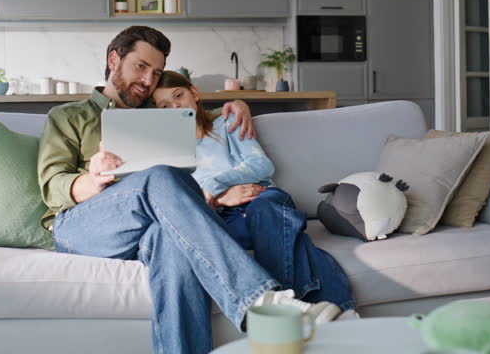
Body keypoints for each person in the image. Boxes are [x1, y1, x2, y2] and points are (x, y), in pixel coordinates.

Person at [37, 26, 339, 354]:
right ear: (114, 60)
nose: (148, 80)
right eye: (140, 67)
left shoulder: (160, 115)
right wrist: (94, 178)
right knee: (160, 176)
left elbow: (205, 122)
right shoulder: (70, 116)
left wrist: (236, 104)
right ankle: (258, 299)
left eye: (155, 73)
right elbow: (52, 187)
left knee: (173, 242)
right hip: (84, 226)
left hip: (149, 226)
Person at [152, 70, 357, 315]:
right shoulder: (169, 151)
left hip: (263, 196)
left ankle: (283, 313)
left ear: (194, 93)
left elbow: (261, 165)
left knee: (265, 212)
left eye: (178, 96)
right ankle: (342, 310)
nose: (175, 107)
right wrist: (219, 198)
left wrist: (214, 185)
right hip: (226, 214)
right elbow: (185, 198)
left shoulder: (226, 123)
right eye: (165, 106)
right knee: (293, 241)